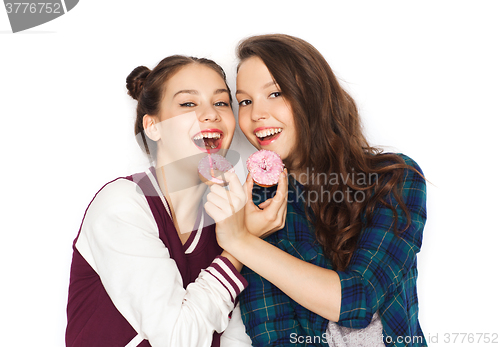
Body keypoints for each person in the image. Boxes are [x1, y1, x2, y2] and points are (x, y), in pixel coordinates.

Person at [205, 34, 427, 346]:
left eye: (275, 93)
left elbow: (359, 300)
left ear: (313, 94)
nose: (256, 114)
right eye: (245, 101)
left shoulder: (393, 178)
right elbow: (274, 336)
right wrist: (244, 236)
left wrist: (239, 240)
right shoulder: (260, 208)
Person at [65, 55, 252, 347]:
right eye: (188, 104)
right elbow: (176, 338)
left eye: (221, 103)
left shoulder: (229, 218)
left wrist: (241, 236)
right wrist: (239, 249)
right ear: (152, 127)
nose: (211, 114)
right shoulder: (122, 206)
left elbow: (238, 339)